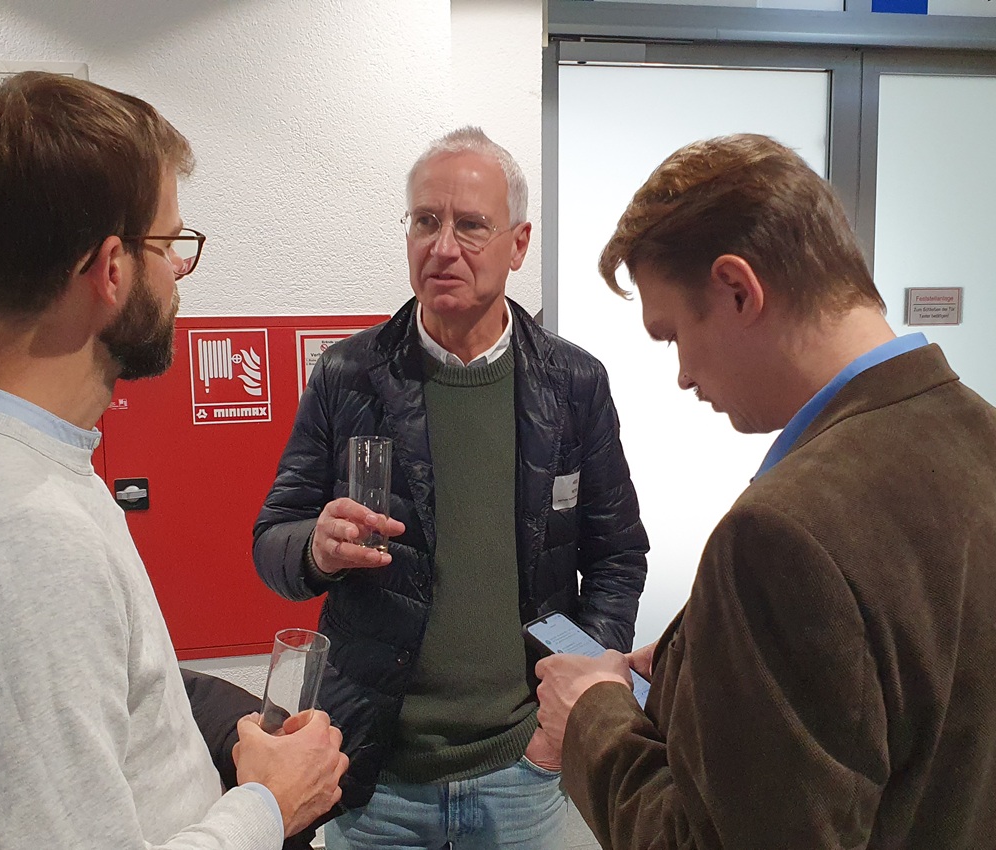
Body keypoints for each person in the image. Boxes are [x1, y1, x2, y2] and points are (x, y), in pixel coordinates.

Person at [0, 72, 348, 850]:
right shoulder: (18, 544)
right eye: (169, 245)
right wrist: (268, 805)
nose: (179, 273)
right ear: (111, 270)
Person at [535, 133, 996, 849]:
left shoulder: (783, 533)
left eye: (672, 335)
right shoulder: (981, 437)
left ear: (738, 289)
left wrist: (590, 719)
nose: (683, 375)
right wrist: (695, 669)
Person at [253, 126, 649, 849]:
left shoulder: (573, 384)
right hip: (376, 776)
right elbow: (272, 542)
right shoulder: (348, 375)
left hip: (524, 771)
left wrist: (574, 708)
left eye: (470, 225)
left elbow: (618, 557)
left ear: (518, 245)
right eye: (425, 221)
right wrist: (315, 547)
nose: (442, 247)